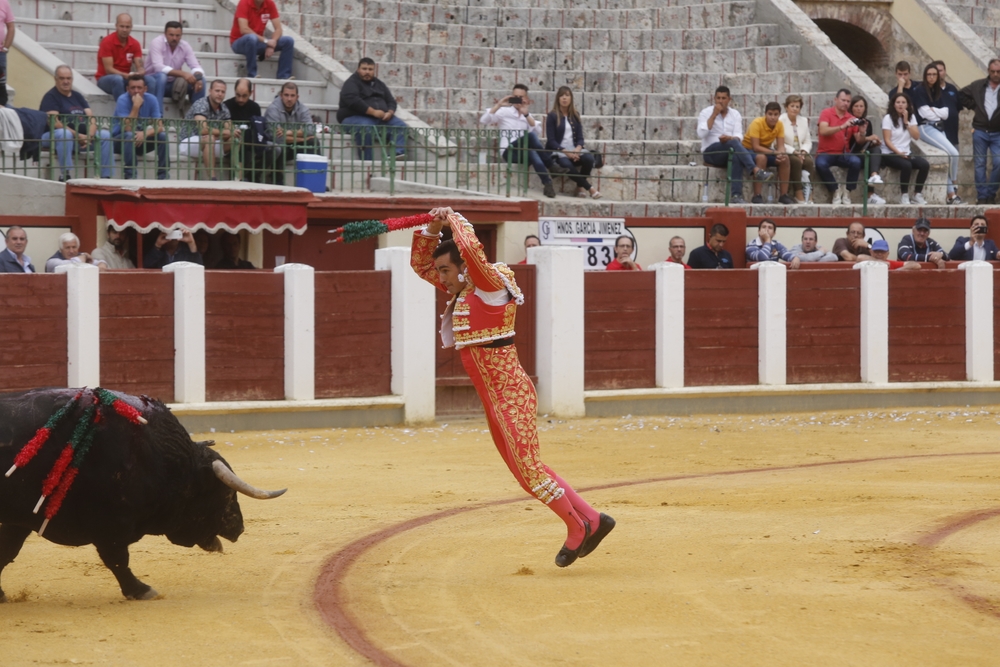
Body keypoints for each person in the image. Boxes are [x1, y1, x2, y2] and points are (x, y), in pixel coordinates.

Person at [410, 207, 614, 568]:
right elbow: (420, 265)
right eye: (441, 271)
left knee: (529, 471)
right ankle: (594, 519)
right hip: (496, 399)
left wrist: (454, 219)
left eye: (446, 270)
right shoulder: (465, 287)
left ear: (464, 268)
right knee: (527, 470)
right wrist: (432, 226)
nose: (440, 277)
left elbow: (471, 252)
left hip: (510, 395)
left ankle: (576, 527)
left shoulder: (489, 285)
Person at [480, 83, 565, 199]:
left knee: (533, 153)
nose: (518, 99)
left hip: (522, 151)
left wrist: (526, 114)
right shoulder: (504, 111)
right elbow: (484, 120)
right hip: (508, 151)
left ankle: (547, 184)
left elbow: (537, 130)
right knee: (530, 137)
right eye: (515, 96)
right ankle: (551, 165)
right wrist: (499, 105)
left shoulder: (527, 115)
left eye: (521, 97)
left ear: (526, 99)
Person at [697, 85, 771, 205]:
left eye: (723, 98)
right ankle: (755, 169)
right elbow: (701, 133)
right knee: (734, 145)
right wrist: (714, 115)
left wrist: (729, 138)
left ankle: (736, 195)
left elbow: (738, 135)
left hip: (730, 149)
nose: (720, 101)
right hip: (711, 152)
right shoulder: (706, 113)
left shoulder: (735, 114)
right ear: (714, 99)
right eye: (718, 98)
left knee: (735, 151)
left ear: (729, 99)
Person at [39, 65, 113, 180]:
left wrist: (89, 136)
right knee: (64, 133)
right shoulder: (51, 96)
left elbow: (91, 118)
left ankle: (105, 176)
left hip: (80, 139)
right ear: (55, 79)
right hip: (53, 137)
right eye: (62, 78)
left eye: (68, 78)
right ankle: (65, 174)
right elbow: (54, 122)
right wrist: (78, 136)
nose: (66, 81)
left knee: (105, 135)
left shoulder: (78, 96)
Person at [336, 58, 408, 161]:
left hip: (380, 118)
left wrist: (390, 112)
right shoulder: (351, 83)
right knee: (365, 127)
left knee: (400, 126)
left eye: (370, 69)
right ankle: (367, 162)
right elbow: (353, 101)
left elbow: (391, 101)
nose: (367, 72)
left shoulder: (379, 84)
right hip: (354, 118)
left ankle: (396, 154)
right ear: (358, 69)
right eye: (364, 69)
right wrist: (373, 112)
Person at [912, 63, 961, 205]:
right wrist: (936, 112)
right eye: (929, 74)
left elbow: (946, 113)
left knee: (949, 156)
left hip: (939, 127)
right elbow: (925, 113)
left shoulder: (938, 91)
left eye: (934, 74)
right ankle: (954, 182)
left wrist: (934, 110)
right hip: (925, 128)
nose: (932, 77)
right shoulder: (920, 90)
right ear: (925, 76)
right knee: (953, 153)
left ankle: (951, 195)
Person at [545, 86, 601, 199]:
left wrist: (577, 149)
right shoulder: (552, 116)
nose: (564, 98)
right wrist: (566, 152)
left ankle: (580, 186)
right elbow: (551, 141)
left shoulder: (575, 115)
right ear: (558, 99)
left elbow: (580, 138)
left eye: (567, 95)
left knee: (589, 159)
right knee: (566, 164)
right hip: (559, 150)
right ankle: (589, 188)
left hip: (574, 149)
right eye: (561, 95)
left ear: (571, 98)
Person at [224, 78, 281, 184]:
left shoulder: (255, 107)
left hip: (253, 141)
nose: (240, 99)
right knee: (244, 147)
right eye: (238, 95)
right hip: (233, 143)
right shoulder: (226, 106)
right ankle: (239, 177)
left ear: (251, 93)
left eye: (244, 96)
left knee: (276, 149)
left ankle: (254, 174)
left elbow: (259, 129)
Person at [959, 59, 1000, 205]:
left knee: (999, 162)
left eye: (998, 72)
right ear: (988, 71)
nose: (995, 74)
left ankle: (991, 193)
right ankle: (982, 197)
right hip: (980, 130)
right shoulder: (978, 86)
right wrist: (973, 106)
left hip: (998, 132)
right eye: (993, 71)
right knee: (980, 163)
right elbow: (961, 95)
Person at [112, 74, 169, 180]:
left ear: (145, 89)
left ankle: (163, 175)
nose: (136, 91)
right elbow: (127, 128)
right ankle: (130, 174)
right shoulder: (122, 99)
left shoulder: (151, 99)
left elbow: (160, 126)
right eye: (133, 88)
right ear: (127, 89)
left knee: (162, 136)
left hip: (139, 140)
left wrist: (145, 133)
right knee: (129, 135)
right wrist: (136, 106)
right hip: (119, 141)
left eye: (139, 88)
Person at [95, 14, 159, 103]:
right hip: (105, 79)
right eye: (122, 26)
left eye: (127, 27)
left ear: (131, 27)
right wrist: (125, 75)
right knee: (117, 79)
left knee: (150, 80)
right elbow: (108, 70)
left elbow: (139, 65)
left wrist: (140, 71)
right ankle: (123, 112)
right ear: (116, 26)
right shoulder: (107, 42)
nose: (124, 30)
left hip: (126, 78)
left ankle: (146, 111)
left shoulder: (135, 43)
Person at [147, 21, 205, 117]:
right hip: (153, 82)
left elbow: (196, 66)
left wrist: (198, 77)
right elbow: (158, 67)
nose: (174, 38)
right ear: (165, 34)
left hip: (172, 85)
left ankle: (198, 117)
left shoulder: (185, 45)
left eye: (177, 35)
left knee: (201, 80)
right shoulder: (157, 42)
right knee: (162, 76)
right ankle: (157, 117)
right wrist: (183, 74)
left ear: (181, 35)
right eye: (171, 35)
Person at [881, 92, 928, 206]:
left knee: (924, 164)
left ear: (907, 105)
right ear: (893, 104)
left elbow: (916, 136)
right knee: (906, 165)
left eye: (903, 102)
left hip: (906, 152)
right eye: (898, 102)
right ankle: (904, 195)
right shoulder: (888, 118)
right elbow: (887, 140)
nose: (900, 105)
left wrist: (906, 122)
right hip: (890, 152)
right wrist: (898, 153)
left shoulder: (911, 117)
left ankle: (917, 194)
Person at [816, 88, 862, 205]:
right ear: (836, 100)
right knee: (820, 164)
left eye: (848, 101)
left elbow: (859, 140)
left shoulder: (851, 118)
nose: (846, 103)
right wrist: (842, 126)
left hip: (843, 153)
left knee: (856, 162)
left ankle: (847, 191)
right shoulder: (826, 113)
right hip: (825, 152)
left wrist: (862, 132)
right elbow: (823, 130)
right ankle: (835, 190)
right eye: (843, 100)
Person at [179, 79, 231, 181]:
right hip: (188, 141)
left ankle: (238, 176)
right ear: (210, 91)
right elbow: (203, 130)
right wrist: (225, 132)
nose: (220, 94)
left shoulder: (224, 108)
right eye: (217, 91)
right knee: (209, 138)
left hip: (210, 143)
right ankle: (213, 178)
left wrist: (229, 133)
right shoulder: (201, 104)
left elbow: (229, 130)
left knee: (235, 139)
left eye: (223, 92)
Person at [742, 102, 793, 204]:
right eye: (770, 114)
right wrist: (774, 152)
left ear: (779, 115)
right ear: (765, 114)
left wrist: (781, 154)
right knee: (761, 158)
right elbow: (756, 147)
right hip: (748, 150)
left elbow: (781, 146)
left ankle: (783, 195)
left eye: (775, 114)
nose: (773, 117)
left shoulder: (779, 124)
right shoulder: (757, 123)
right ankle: (757, 195)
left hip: (766, 150)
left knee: (785, 159)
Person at [229, 0, 294, 80]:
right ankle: (252, 75)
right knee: (251, 38)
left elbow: (278, 29)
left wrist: (272, 44)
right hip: (239, 42)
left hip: (257, 42)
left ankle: (283, 77)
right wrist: (266, 41)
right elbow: (244, 29)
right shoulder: (244, 2)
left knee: (288, 41)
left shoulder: (269, 3)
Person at [265, 81, 320, 165]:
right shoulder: (273, 109)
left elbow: (310, 130)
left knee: (314, 142)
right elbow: (276, 137)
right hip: (279, 146)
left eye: (292, 95)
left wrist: (288, 132)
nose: (289, 99)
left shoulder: (303, 109)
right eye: (286, 95)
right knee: (280, 146)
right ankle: (277, 178)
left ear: (297, 97)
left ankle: (314, 175)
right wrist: (302, 139)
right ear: (281, 95)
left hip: (293, 145)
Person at [847, 95, 885, 206]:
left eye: (861, 106)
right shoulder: (850, 121)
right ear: (852, 108)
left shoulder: (867, 122)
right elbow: (858, 140)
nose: (859, 109)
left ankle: (874, 176)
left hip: (862, 151)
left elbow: (865, 143)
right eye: (856, 106)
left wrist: (873, 142)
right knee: (869, 158)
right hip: (851, 153)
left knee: (876, 150)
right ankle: (870, 194)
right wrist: (870, 137)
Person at [779, 94, 814, 204]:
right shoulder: (781, 120)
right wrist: (794, 152)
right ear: (786, 107)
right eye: (792, 106)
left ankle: (810, 193)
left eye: (797, 106)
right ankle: (798, 193)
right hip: (788, 150)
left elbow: (807, 140)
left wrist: (803, 151)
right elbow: (779, 142)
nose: (795, 109)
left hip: (801, 150)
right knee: (795, 161)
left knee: (809, 161)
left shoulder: (803, 120)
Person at [932, 60, 961, 157]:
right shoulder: (930, 91)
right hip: (938, 135)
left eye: (940, 70)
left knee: (954, 161)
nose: (939, 73)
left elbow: (957, 108)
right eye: (936, 71)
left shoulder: (952, 89)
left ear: (945, 72)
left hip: (953, 135)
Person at [0, 0, 14, 107]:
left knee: (1, 87)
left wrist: (5, 48)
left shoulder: (4, 3)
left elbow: (11, 27)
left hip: (0, 54)